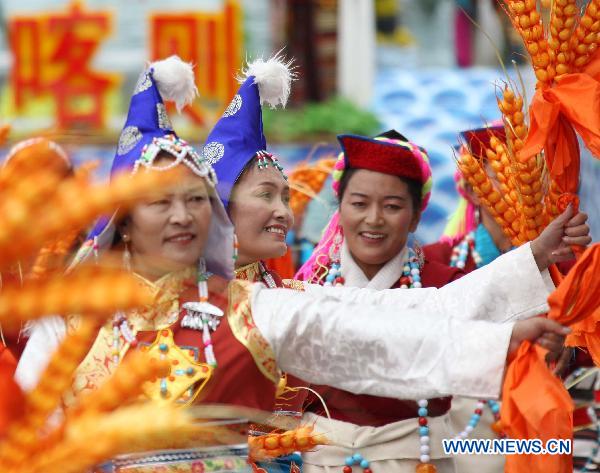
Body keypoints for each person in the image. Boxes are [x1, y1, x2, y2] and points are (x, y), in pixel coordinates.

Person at [15, 55, 578, 473]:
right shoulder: (67, 319)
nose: (183, 216)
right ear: (122, 218)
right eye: (161, 202)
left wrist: (504, 337)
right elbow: (28, 436)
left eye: (193, 200)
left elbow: (381, 332)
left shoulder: (253, 308)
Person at [425, 124, 591, 473]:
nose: (521, 185)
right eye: (506, 173)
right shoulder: (435, 262)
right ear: (471, 189)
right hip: (460, 444)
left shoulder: (573, 266)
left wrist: (570, 346)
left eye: (531, 174)